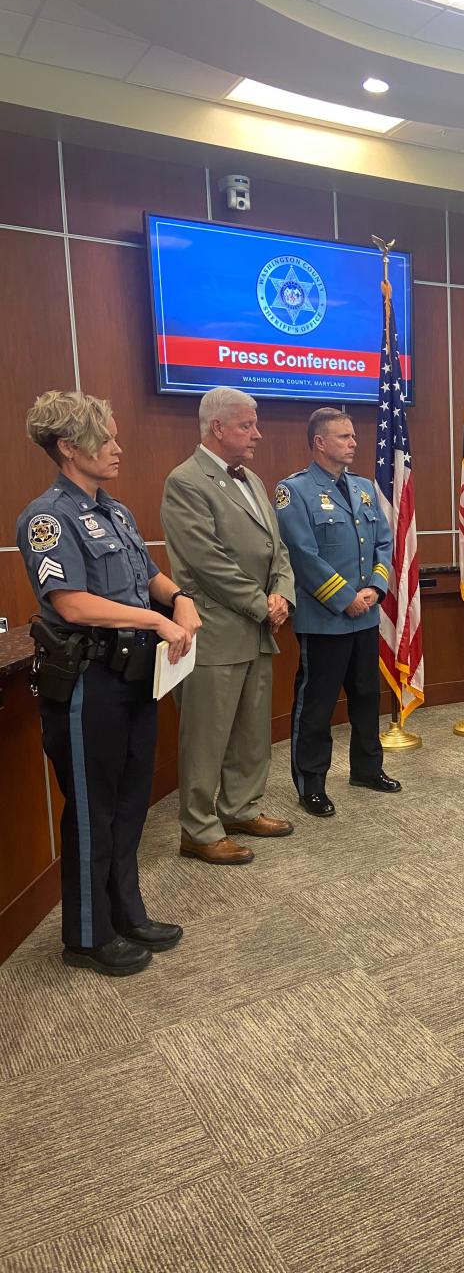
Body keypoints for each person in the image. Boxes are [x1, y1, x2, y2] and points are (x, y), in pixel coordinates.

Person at [16, 391, 199, 975]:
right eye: (107, 438)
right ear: (69, 447)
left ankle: (127, 911)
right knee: (93, 810)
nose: (119, 448)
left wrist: (181, 600)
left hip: (135, 677)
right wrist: (157, 619)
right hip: (87, 685)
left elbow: (148, 574)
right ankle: (87, 936)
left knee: (128, 802)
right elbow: (70, 604)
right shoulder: (48, 518)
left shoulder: (113, 511)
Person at [161, 387, 296, 865]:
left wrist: (283, 593)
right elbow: (206, 563)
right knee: (207, 736)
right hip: (217, 630)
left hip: (258, 629)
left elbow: (276, 549)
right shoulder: (186, 482)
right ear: (217, 428)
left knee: (251, 730)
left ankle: (239, 808)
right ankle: (198, 829)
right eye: (247, 425)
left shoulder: (254, 480)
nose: (257, 433)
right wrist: (263, 604)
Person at [275, 408, 400, 818]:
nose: (354, 442)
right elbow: (302, 554)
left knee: (366, 697)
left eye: (353, 436)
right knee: (317, 704)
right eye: (344, 436)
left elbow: (384, 542)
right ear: (320, 442)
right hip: (326, 620)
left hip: (364, 615)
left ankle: (367, 768)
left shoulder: (364, 488)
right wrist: (345, 596)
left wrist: (375, 588)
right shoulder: (294, 491)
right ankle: (310, 783)